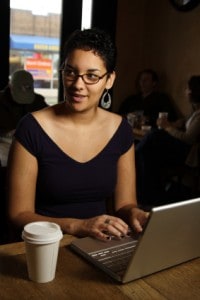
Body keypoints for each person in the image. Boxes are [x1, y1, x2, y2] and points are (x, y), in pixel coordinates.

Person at [7, 28, 149, 242]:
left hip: (101, 242)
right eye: (71, 72)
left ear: (109, 80)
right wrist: (78, 226)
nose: (77, 85)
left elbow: (124, 204)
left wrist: (133, 213)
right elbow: (18, 215)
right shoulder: (31, 128)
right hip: (48, 245)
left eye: (91, 76)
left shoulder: (121, 130)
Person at [135, 75, 200, 206]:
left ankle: (149, 196)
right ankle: (146, 195)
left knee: (153, 137)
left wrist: (167, 127)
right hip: (180, 149)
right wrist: (177, 124)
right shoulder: (195, 111)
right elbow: (187, 128)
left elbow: (187, 139)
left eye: (187, 89)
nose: (185, 92)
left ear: (194, 91)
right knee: (146, 154)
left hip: (187, 155)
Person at [0, 69, 48, 136]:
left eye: (27, 88)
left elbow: (49, 120)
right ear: (10, 86)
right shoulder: (1, 100)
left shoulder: (38, 101)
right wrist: (6, 133)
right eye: (19, 90)